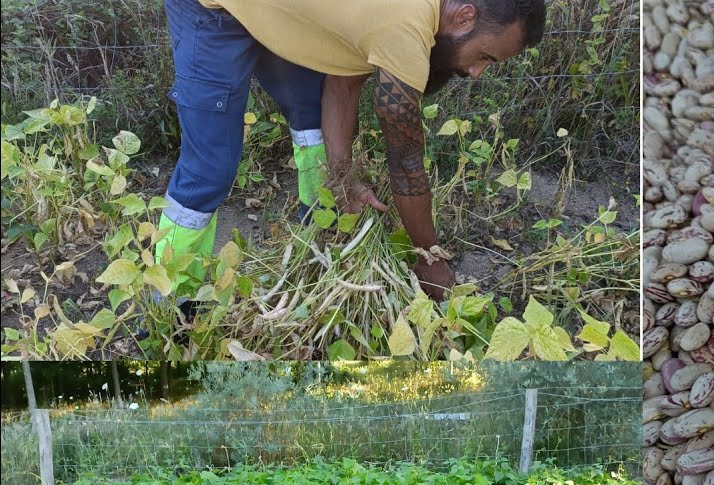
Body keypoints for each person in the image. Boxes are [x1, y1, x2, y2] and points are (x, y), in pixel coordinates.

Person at [156, 0, 545, 302]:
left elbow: (342, 84)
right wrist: (429, 257)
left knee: (310, 117)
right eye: (485, 57)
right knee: (211, 166)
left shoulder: (398, 19)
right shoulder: (404, 28)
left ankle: (317, 234)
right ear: (464, 17)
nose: (476, 73)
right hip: (209, 10)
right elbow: (406, 164)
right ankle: (170, 300)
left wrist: (343, 180)